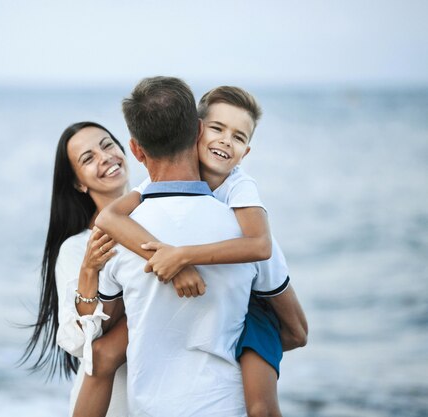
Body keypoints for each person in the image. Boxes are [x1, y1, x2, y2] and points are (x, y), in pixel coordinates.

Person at [96, 86, 308, 416]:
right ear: (197, 130)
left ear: (137, 150)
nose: (225, 141)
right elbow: (297, 332)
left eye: (238, 137)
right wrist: (171, 261)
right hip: (219, 398)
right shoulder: (147, 200)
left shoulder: (240, 188)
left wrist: (182, 256)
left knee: (261, 395)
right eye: (217, 129)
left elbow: (259, 245)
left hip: (154, 401)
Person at [21, 121, 204, 417]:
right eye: (88, 158)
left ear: (126, 149)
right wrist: (89, 272)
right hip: (115, 404)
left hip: (177, 393)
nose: (104, 157)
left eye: (107, 145)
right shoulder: (79, 248)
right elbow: (82, 346)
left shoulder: (167, 217)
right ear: (79, 183)